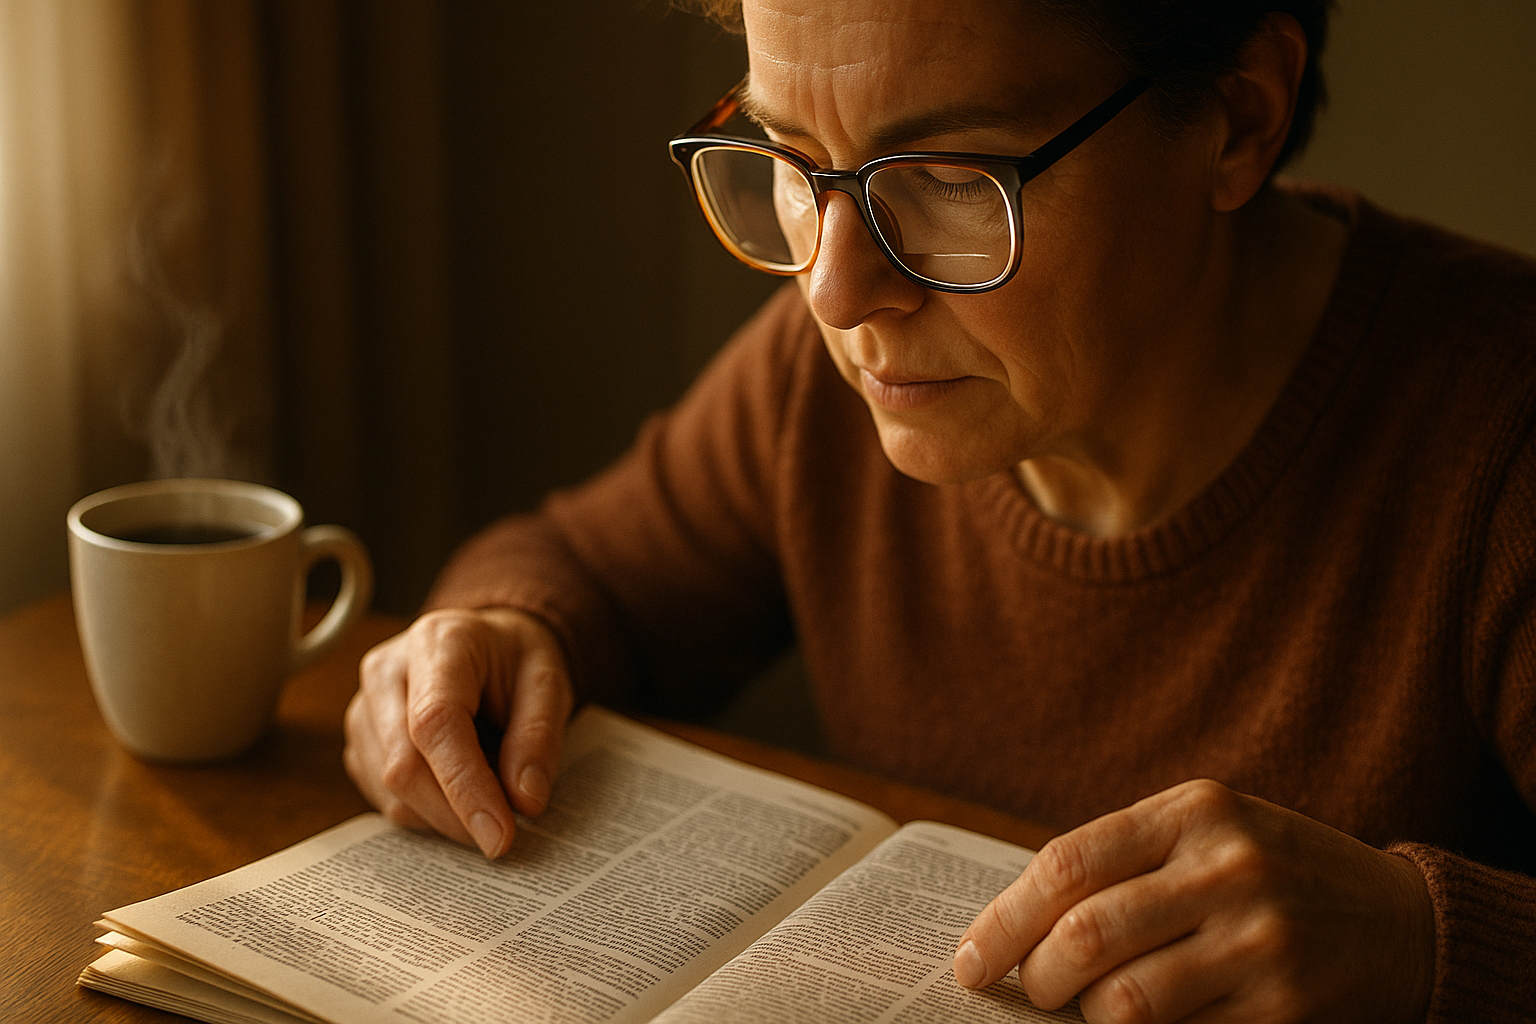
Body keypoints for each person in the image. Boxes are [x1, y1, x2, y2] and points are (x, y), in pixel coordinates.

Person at [343, 0, 1536, 1021]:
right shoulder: (829, 382)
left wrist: (1420, 944)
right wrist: (493, 637)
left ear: (1239, 119)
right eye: (789, 156)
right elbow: (584, 567)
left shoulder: (1500, 442)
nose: (837, 290)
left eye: (954, 179)